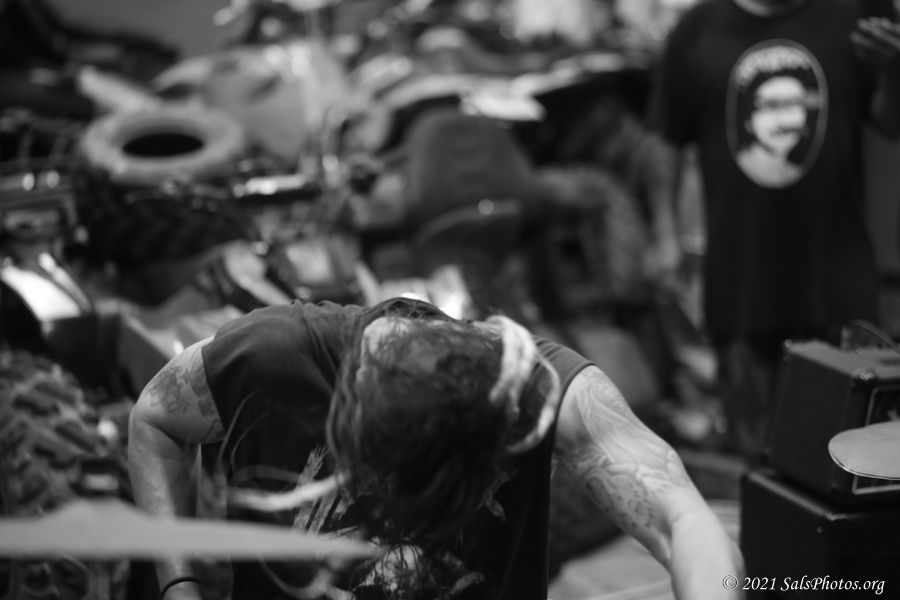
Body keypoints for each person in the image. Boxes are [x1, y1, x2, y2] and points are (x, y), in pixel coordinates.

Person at [128, 297, 743, 600]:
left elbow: (683, 518)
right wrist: (179, 586)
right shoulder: (272, 357)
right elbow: (154, 422)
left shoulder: (535, 387)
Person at [648, 0, 900, 461]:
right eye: (771, 106)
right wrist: (665, 233)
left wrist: (895, 72)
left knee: (850, 459)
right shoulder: (697, 30)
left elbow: (890, 123)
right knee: (757, 464)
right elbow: (665, 136)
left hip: (837, 286)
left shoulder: (857, 12)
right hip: (742, 289)